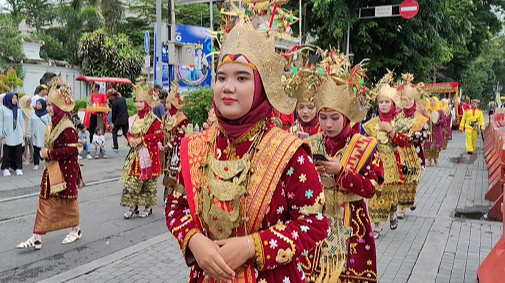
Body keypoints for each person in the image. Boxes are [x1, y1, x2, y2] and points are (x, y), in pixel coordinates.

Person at [165, 16, 328, 283]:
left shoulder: (289, 152)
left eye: (241, 77)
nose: (227, 87)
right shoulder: (196, 147)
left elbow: (315, 224)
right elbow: (176, 207)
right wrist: (195, 241)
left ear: (262, 87)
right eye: (221, 77)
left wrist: (252, 246)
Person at [301, 58, 384, 283]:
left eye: (335, 118)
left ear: (346, 117)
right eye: (323, 117)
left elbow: (371, 188)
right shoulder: (311, 143)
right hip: (316, 221)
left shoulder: (364, 146)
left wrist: (341, 173)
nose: (328, 124)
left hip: (352, 224)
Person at [16, 79, 85, 250]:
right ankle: (37, 236)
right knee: (45, 200)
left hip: (67, 169)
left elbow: (73, 151)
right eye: (47, 105)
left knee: (68, 201)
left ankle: (76, 230)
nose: (47, 109)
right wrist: (45, 152)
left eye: (50, 106)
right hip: (52, 168)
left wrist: (50, 153)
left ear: (59, 106)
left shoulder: (68, 126)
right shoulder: (53, 123)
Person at [364, 81, 409, 239]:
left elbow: (404, 142)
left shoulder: (399, 123)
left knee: (391, 195)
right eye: (381, 102)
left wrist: (390, 131)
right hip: (376, 165)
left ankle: (393, 212)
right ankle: (376, 226)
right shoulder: (371, 124)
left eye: (386, 102)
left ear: (393, 104)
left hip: (393, 164)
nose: (383, 105)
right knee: (375, 196)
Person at [120, 83, 163, 219]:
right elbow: (128, 133)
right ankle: (133, 207)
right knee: (132, 180)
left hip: (149, 154)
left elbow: (160, 135)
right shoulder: (133, 119)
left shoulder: (153, 120)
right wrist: (130, 139)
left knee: (147, 182)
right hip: (135, 155)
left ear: (147, 103)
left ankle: (148, 207)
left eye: (141, 102)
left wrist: (142, 140)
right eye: (136, 101)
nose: (138, 104)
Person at [395, 75, 429, 219]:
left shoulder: (420, 117)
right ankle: (402, 208)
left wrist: (412, 137)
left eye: (409, 100)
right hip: (400, 152)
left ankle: (411, 198)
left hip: (415, 153)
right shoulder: (397, 117)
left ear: (414, 101)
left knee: (413, 179)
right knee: (402, 179)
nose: (407, 102)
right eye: (404, 100)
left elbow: (425, 134)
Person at [161, 82, 188, 204]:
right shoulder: (166, 117)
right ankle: (167, 196)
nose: (166, 104)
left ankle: (175, 196)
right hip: (167, 149)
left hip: (176, 150)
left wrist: (170, 145)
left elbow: (180, 135)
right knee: (167, 172)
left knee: (174, 172)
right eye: (166, 102)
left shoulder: (181, 117)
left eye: (168, 103)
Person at [284, 64, 322, 139]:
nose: (305, 111)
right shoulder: (291, 131)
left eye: (310, 107)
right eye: (301, 107)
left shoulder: (324, 131)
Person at [0, 93, 25, 176]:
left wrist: (23, 132)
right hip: (7, 133)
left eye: (16, 98)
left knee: (18, 150)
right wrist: (0, 133)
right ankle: (5, 168)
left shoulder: (18, 109)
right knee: (7, 151)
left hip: (17, 132)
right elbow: (1, 122)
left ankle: (18, 167)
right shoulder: (3, 109)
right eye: (13, 98)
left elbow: (21, 121)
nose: (15, 99)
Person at [28, 99, 51, 171]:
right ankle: (36, 164)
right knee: (36, 150)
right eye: (37, 104)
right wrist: (29, 134)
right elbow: (30, 125)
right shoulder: (33, 114)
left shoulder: (47, 114)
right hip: (36, 135)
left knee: (46, 149)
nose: (37, 105)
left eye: (39, 104)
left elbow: (50, 124)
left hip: (45, 134)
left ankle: (47, 163)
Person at [424, 97, 446, 165]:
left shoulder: (440, 111)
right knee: (428, 145)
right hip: (429, 131)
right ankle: (429, 160)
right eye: (431, 101)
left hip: (437, 131)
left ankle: (435, 158)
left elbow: (443, 120)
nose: (432, 102)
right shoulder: (428, 110)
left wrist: (438, 121)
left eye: (434, 101)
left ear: (437, 102)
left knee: (436, 146)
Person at [19, 96, 34, 165]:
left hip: (32, 129)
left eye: (30, 101)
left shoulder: (32, 109)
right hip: (25, 129)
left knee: (32, 145)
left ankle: (32, 158)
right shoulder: (21, 110)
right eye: (27, 101)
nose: (29, 103)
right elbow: (23, 121)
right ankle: (24, 159)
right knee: (25, 145)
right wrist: (24, 132)